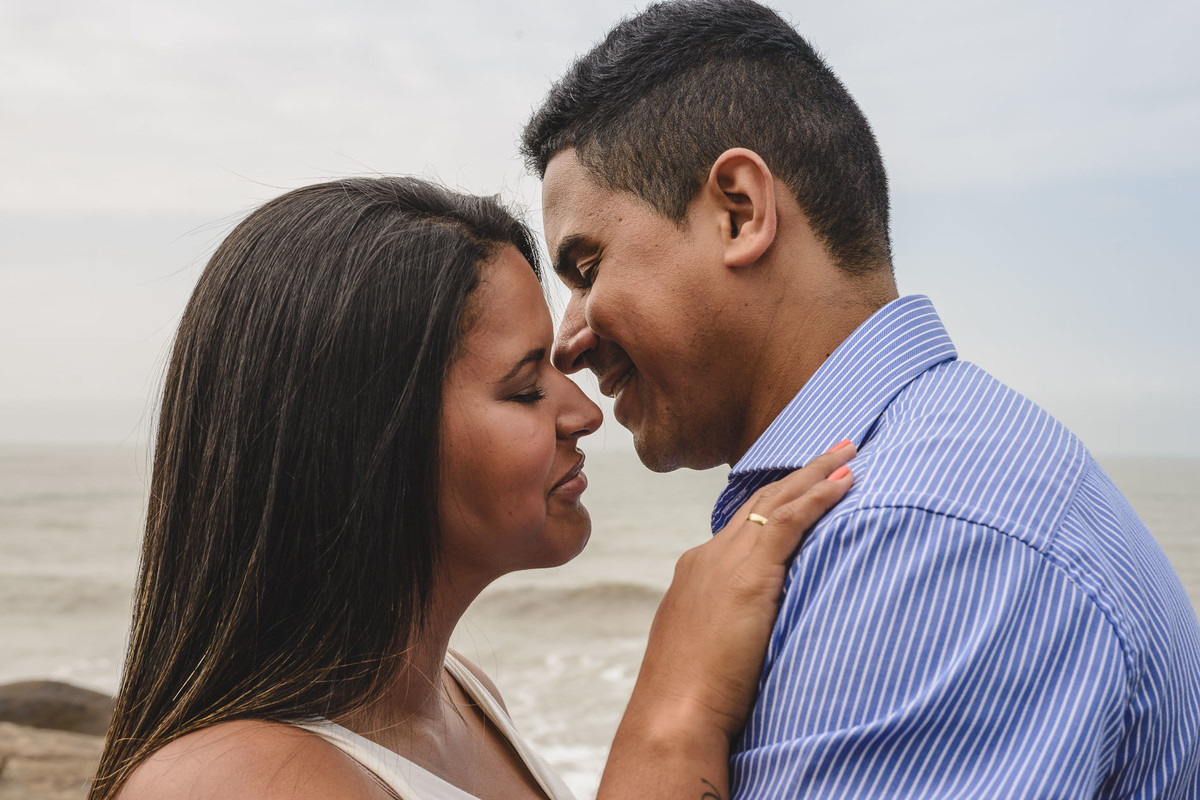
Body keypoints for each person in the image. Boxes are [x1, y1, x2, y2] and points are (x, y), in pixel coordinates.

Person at [520, 1, 1200, 797]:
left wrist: (670, 718)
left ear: (740, 211)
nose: (568, 340)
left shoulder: (921, 545)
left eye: (588, 270)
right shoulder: (928, 484)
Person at [88, 176, 857, 800]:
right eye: (525, 390)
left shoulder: (462, 696)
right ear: (369, 442)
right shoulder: (231, 783)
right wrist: (675, 705)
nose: (584, 413)